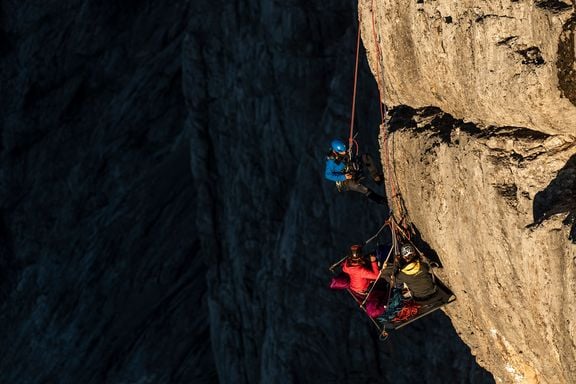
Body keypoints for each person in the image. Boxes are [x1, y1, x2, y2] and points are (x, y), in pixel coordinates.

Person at [324, 139, 386, 204]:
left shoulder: (343, 151)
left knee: (366, 157)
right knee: (360, 188)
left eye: (344, 150)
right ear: (335, 151)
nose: (344, 152)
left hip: (351, 168)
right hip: (345, 181)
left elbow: (348, 157)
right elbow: (328, 175)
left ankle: (377, 178)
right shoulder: (331, 162)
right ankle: (381, 200)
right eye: (342, 152)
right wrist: (343, 177)